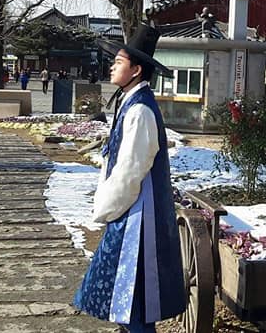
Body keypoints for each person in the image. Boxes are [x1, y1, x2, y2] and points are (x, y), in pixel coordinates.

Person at [73, 24, 185, 333]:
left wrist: (106, 209)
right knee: (129, 297)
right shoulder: (133, 103)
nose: (111, 66)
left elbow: (130, 170)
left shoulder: (140, 111)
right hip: (135, 211)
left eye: (118, 62)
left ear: (136, 70)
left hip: (138, 217)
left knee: (133, 296)